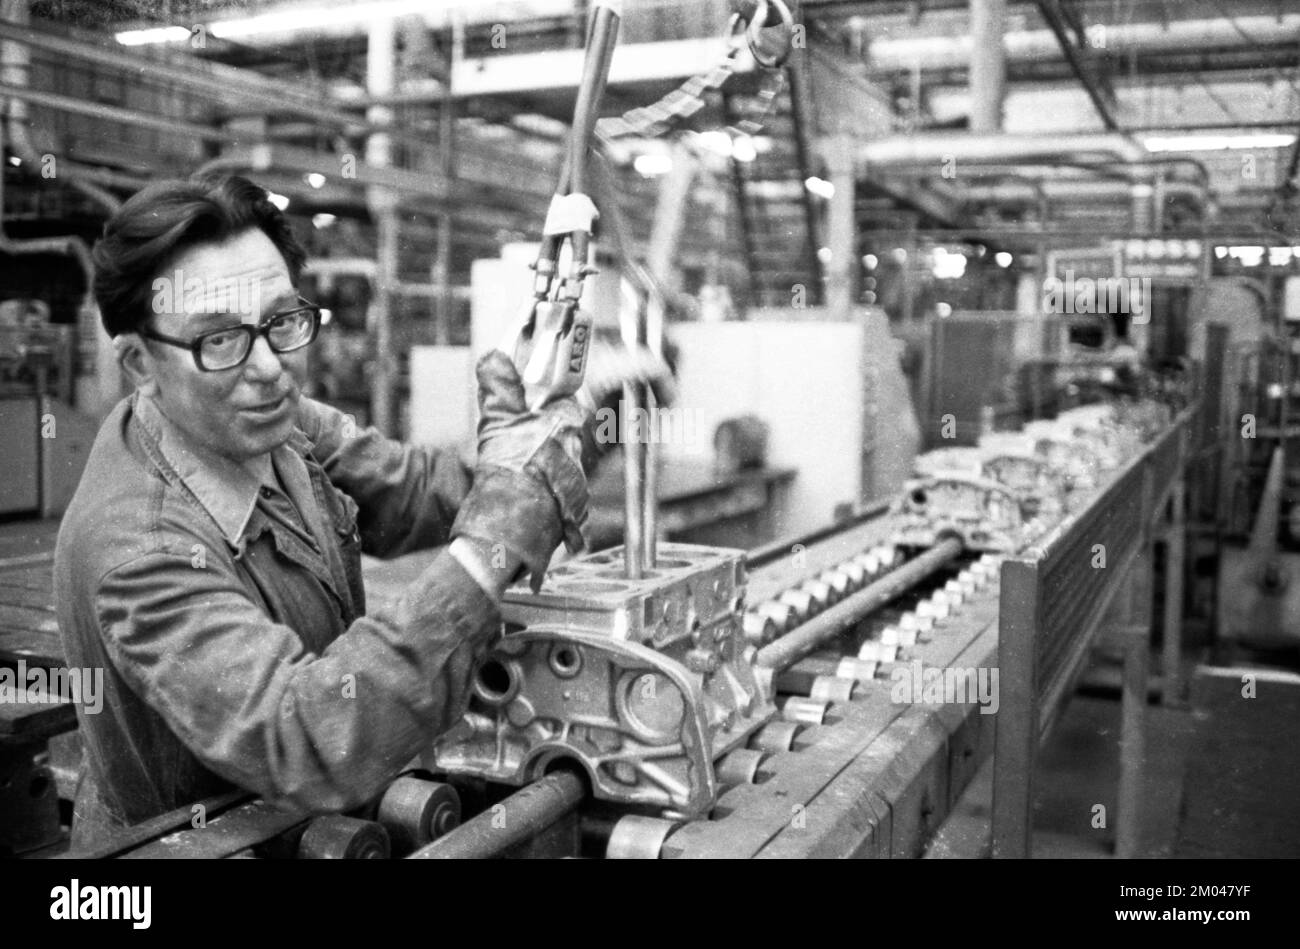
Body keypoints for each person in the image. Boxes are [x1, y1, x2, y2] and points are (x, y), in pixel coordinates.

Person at [54, 174, 604, 850]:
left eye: (282, 322)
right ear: (139, 360)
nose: (268, 368)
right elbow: (305, 734)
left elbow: (412, 491)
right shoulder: (137, 548)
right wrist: (488, 548)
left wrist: (514, 444)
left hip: (315, 822)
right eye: (219, 340)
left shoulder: (272, 421)